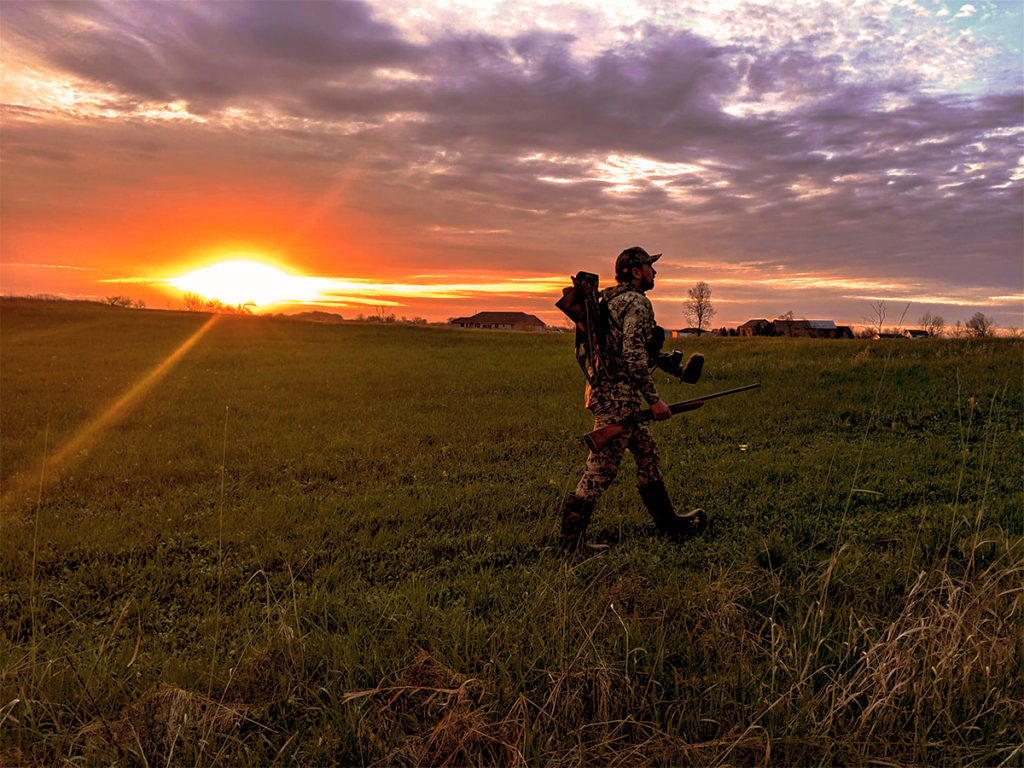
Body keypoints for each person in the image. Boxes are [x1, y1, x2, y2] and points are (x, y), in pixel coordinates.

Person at [557, 246, 707, 552]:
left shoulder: (610, 299)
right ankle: (570, 544)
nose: (654, 272)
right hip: (618, 398)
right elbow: (633, 354)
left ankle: (668, 523)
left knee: (647, 452)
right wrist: (654, 400)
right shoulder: (637, 303)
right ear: (637, 271)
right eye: (650, 267)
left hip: (608, 391)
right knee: (601, 469)